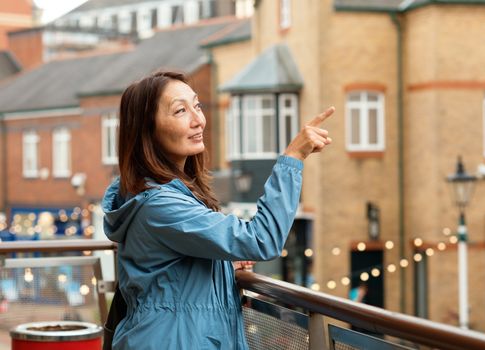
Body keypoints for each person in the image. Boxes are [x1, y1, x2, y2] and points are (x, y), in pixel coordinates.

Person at [102, 70, 334, 349]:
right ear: (147, 129)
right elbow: (262, 240)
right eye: (180, 111)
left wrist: (222, 263)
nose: (198, 120)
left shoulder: (163, 195)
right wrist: (293, 157)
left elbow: (170, 272)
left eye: (197, 106)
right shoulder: (159, 205)